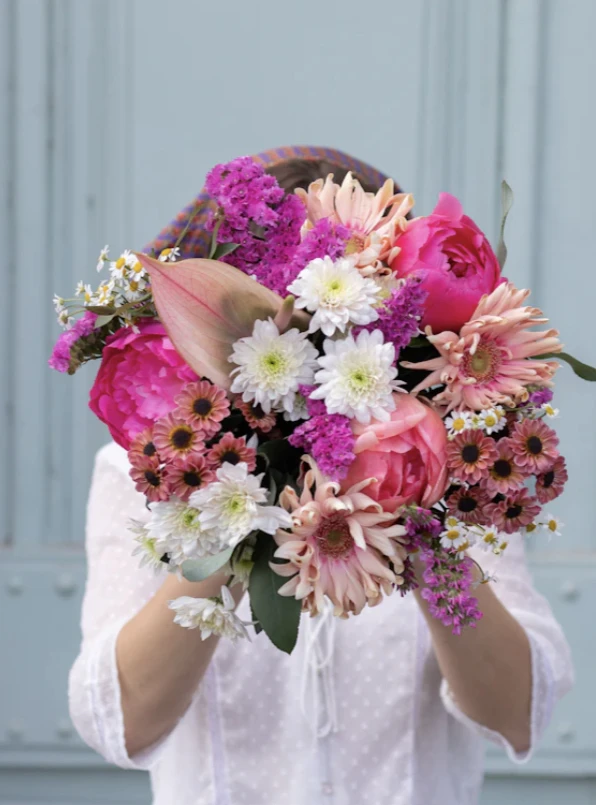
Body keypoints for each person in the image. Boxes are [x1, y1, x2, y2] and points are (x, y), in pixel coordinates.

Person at [68, 145, 574, 805]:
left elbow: (516, 709)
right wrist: (237, 498)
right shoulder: (141, 469)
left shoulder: (452, 460)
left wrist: (422, 505)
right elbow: (120, 720)